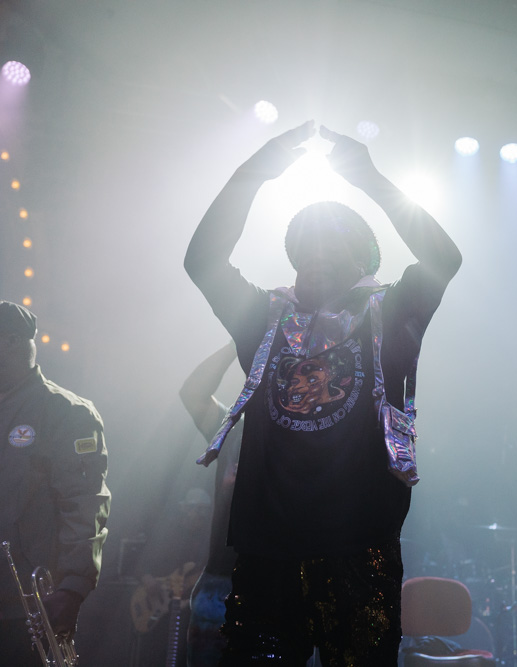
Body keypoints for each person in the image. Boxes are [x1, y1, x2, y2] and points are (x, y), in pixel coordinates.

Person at [184, 121, 461, 665]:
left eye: (332, 242)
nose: (314, 253)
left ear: (364, 259)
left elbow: (443, 259)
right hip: (268, 554)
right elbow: (202, 262)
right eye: (303, 244)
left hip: (359, 551)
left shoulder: (393, 312)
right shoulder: (263, 319)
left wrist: (371, 178)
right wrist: (255, 170)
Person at [0, 300, 111, 664]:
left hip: (25, 612)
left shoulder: (66, 412)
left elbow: (86, 502)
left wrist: (72, 588)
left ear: (13, 342)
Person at [178, 341, 242, 667]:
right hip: (220, 585)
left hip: (282, 589)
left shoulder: (315, 431)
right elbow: (193, 393)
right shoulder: (235, 428)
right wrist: (237, 341)